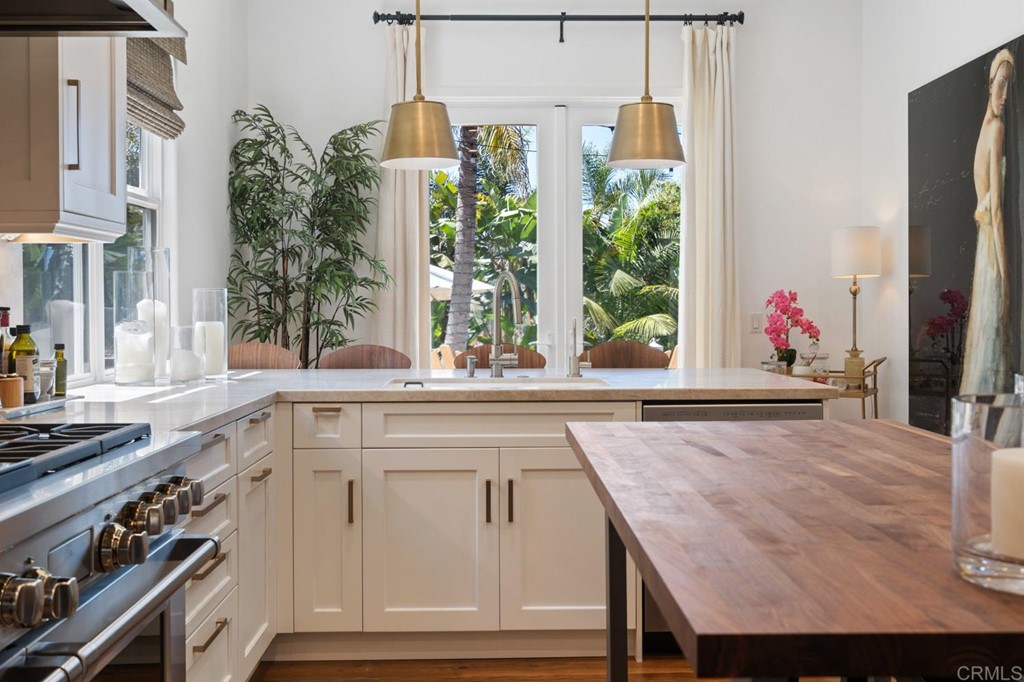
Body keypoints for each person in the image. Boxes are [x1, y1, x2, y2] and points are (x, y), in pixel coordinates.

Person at [961, 48, 1015, 395]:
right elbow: (994, 212)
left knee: (984, 335)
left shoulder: (984, 131)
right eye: (1001, 84)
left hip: (984, 247)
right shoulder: (995, 129)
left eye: (1010, 86)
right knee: (994, 328)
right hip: (992, 249)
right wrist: (1008, 278)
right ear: (989, 84)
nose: (1004, 95)